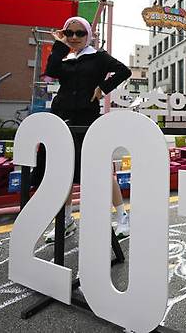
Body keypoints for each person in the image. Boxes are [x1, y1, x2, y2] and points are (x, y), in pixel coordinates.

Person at [35, 16, 133, 242]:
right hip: (62, 117)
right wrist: (60, 44)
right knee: (64, 171)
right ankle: (67, 221)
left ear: (88, 34)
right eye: (69, 33)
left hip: (87, 119)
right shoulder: (65, 56)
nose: (74, 37)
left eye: (80, 33)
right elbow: (51, 70)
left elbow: (124, 71)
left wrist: (102, 88)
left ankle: (122, 217)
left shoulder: (98, 57)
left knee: (99, 169)